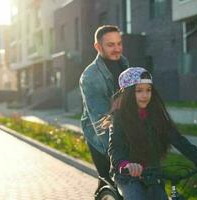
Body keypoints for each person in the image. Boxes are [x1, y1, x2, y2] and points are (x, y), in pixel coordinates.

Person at [108, 67, 197, 200]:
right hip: (127, 175)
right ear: (128, 93)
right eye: (139, 91)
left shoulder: (157, 116)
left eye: (148, 90)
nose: (145, 95)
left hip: (153, 173)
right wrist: (125, 164)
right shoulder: (120, 118)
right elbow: (116, 147)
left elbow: (179, 140)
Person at [79, 25, 129, 196]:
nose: (117, 49)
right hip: (100, 136)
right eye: (110, 45)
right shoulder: (91, 77)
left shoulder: (123, 63)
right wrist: (116, 151)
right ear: (98, 47)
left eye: (119, 43)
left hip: (124, 128)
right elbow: (100, 121)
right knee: (110, 184)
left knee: (119, 183)